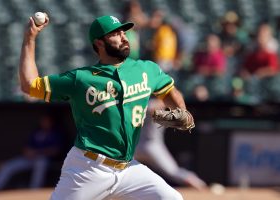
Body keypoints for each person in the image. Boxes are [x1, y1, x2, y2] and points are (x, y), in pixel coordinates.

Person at [18, 14, 193, 200]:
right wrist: (30, 38)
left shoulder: (146, 69)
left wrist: (181, 110)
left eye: (123, 32)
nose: (124, 37)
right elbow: (29, 85)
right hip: (88, 168)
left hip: (128, 169)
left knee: (172, 198)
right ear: (99, 43)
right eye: (115, 34)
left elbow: (169, 90)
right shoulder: (81, 79)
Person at [0, 114, 63, 198]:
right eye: (43, 120)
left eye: (46, 121)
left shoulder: (56, 132)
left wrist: (37, 152)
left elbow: (55, 151)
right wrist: (29, 152)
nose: (44, 122)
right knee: (9, 165)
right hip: (29, 159)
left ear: (51, 122)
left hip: (45, 160)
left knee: (41, 162)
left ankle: (34, 190)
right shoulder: (37, 131)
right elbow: (26, 148)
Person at [135, 99, 206, 191]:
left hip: (153, 145)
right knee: (120, 167)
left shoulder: (158, 104)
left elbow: (156, 107)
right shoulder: (143, 100)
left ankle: (198, 184)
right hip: (137, 145)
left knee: (173, 172)